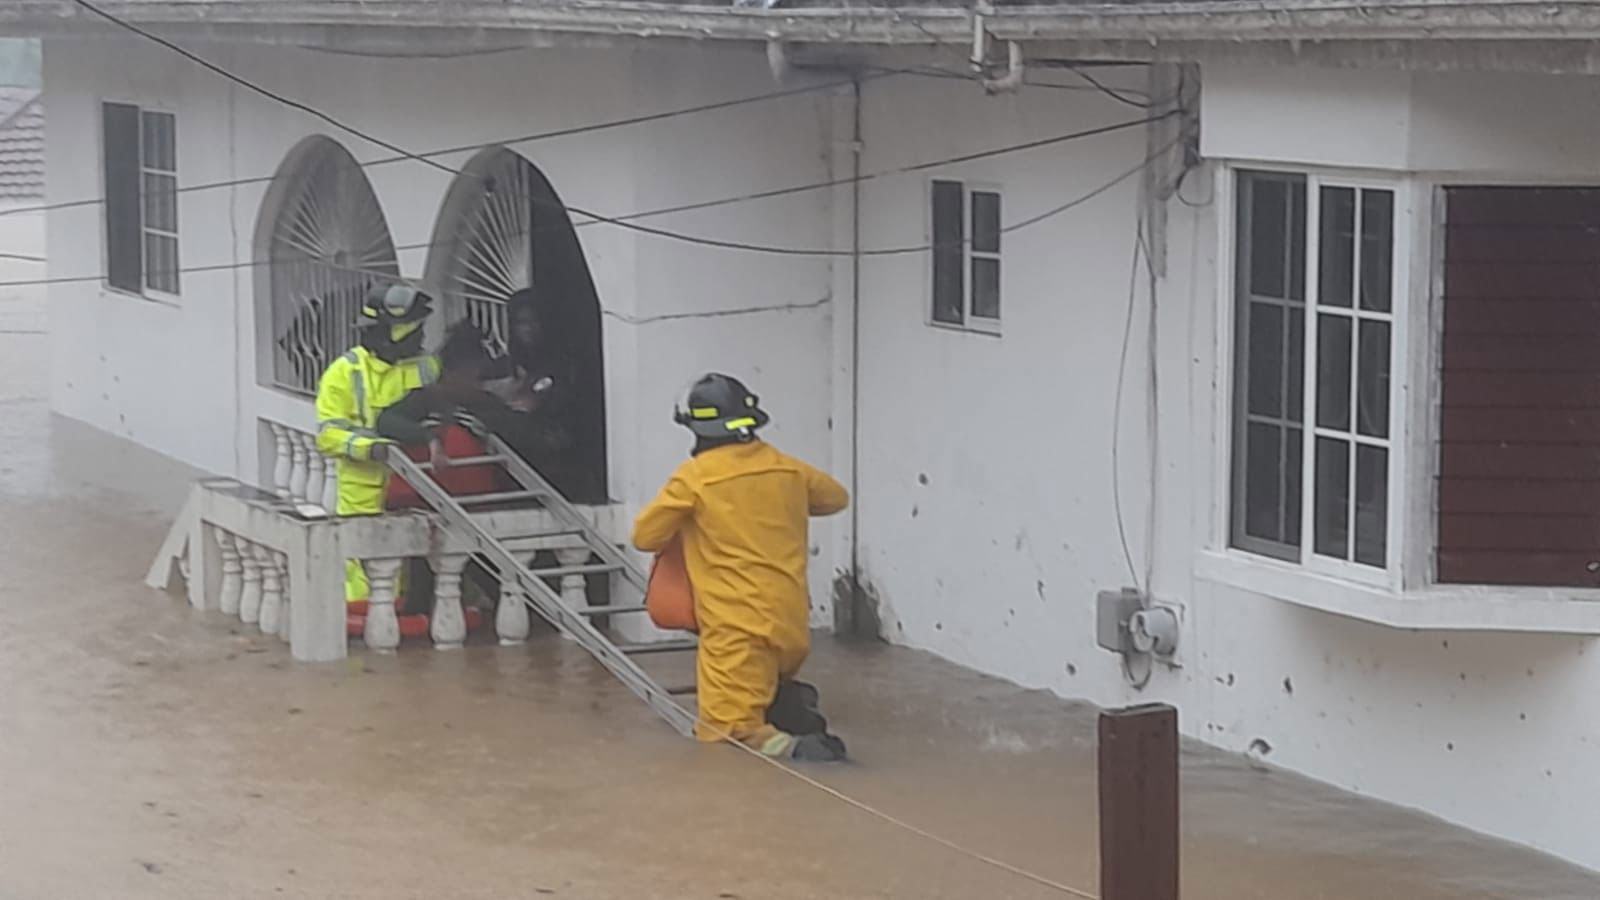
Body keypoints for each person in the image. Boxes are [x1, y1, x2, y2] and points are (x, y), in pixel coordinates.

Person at [632, 373, 850, 762]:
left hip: (736, 629)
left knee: (729, 734)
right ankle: (789, 710)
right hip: (789, 621)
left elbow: (645, 537)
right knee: (765, 699)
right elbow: (835, 498)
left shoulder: (694, 479)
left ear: (696, 427)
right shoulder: (787, 469)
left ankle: (808, 754)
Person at [314, 283, 440, 605]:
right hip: (362, 496)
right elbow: (328, 434)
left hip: (420, 489)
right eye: (413, 331)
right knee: (366, 585)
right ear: (388, 332)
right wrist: (372, 447)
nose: (420, 339)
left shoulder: (427, 368)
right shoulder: (343, 373)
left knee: (424, 575)